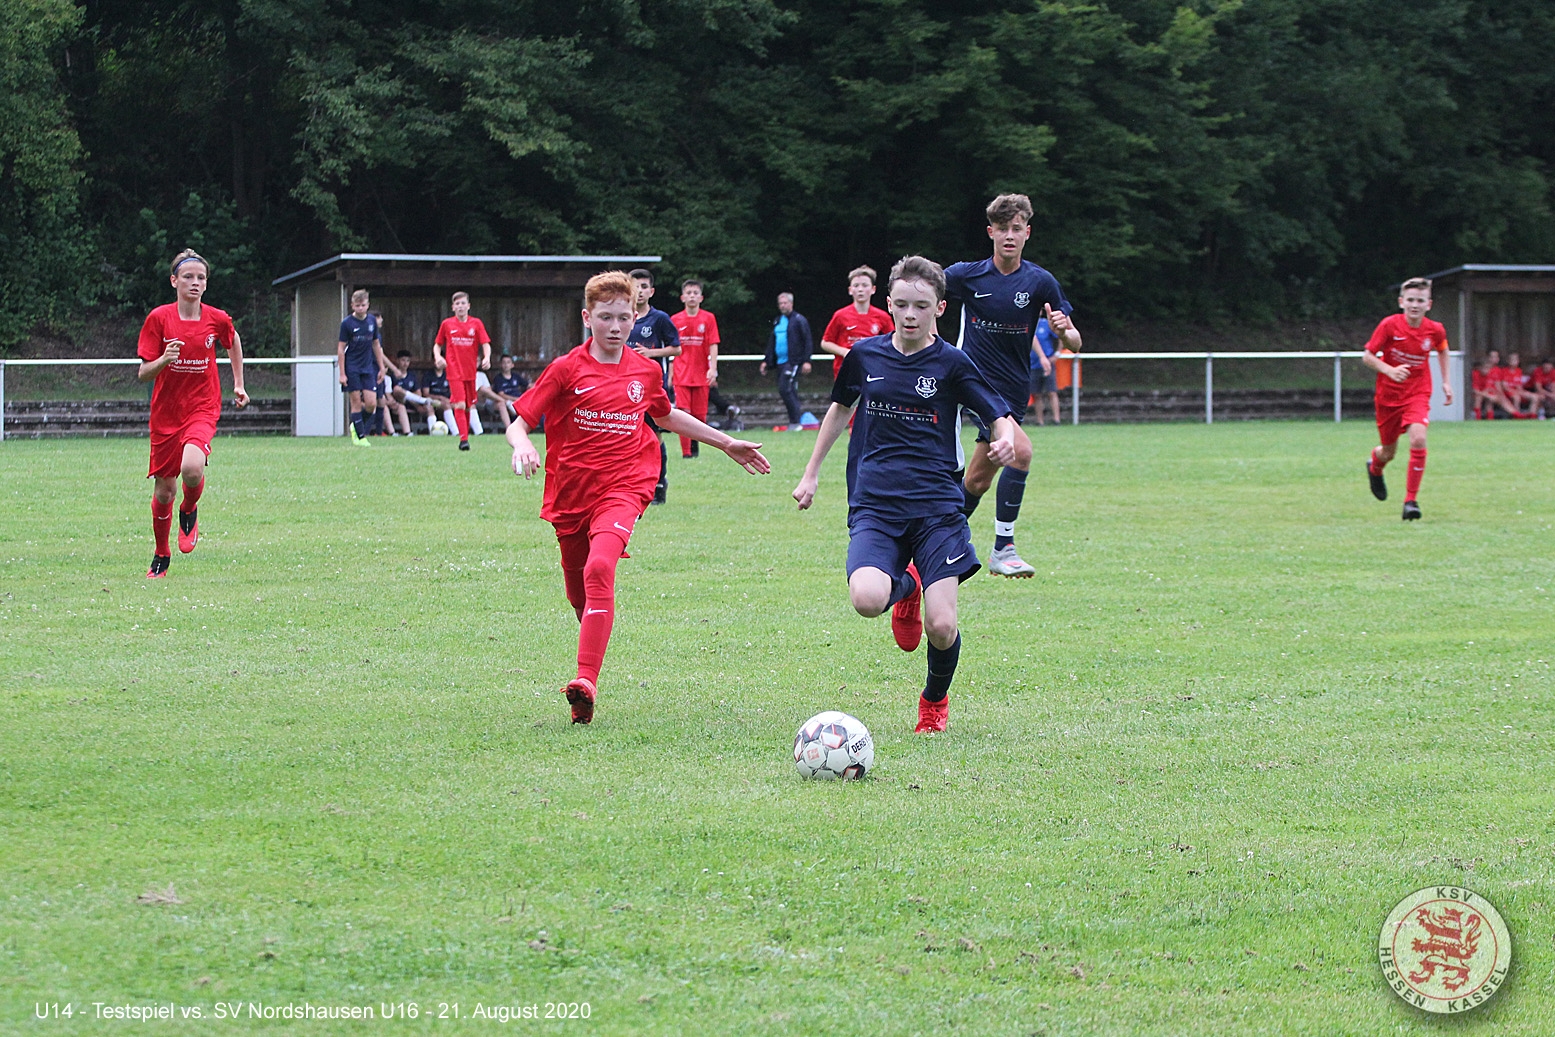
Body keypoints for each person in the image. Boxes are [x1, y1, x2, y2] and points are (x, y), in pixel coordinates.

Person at [508, 270, 770, 724]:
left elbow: (667, 417)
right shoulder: (566, 369)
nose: (615, 326)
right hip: (571, 494)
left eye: (623, 318)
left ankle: (585, 680)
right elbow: (519, 420)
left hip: (627, 486)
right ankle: (586, 679)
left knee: (600, 566)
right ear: (588, 318)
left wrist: (726, 442)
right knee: (579, 591)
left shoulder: (645, 371)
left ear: (635, 318)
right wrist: (523, 444)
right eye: (605, 317)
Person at [792, 256, 1016, 734]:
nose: (910, 314)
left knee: (941, 626)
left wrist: (1004, 437)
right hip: (876, 503)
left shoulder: (953, 364)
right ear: (889, 304)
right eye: (902, 304)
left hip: (937, 507)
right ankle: (906, 587)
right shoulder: (865, 356)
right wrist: (811, 473)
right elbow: (837, 412)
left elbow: (997, 413)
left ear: (939, 307)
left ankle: (934, 701)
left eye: (921, 305)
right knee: (868, 600)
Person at [946, 193, 1080, 579]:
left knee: (977, 478)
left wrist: (1064, 331)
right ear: (991, 232)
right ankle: (1003, 548)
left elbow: (1076, 342)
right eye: (1002, 229)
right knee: (1021, 452)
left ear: (1027, 233)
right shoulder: (966, 275)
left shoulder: (1040, 282)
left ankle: (936, 537)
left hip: (1013, 391)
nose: (1009, 235)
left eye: (1016, 229)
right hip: (973, 385)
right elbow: (923, 291)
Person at [135, 249, 249, 579]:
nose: (195, 283)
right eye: (188, 277)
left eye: (201, 278)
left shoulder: (216, 318)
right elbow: (144, 372)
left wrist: (238, 383)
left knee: (192, 467)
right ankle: (161, 553)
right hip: (166, 413)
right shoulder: (159, 319)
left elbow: (233, 339)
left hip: (203, 406)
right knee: (164, 491)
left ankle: (189, 508)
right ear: (174, 281)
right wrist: (164, 360)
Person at [1362, 276, 1453, 520]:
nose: (1415, 305)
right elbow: (1368, 356)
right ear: (1401, 302)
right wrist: (1390, 370)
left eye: (1420, 301)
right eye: (1410, 300)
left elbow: (1443, 349)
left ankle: (1410, 502)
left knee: (1419, 438)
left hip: (1418, 392)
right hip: (1388, 396)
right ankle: (1375, 465)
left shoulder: (1435, 329)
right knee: (1388, 452)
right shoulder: (1390, 325)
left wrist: (1445, 381)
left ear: (1428, 304)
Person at [628, 268, 681, 503]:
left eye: (643, 287)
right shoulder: (622, 316)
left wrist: (650, 353)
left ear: (651, 291)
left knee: (655, 434)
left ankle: (660, 483)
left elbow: (677, 348)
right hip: (624, 388)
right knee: (628, 435)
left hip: (650, 388)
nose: (638, 292)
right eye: (634, 286)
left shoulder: (659, 318)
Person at [432, 291, 491, 450]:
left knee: (468, 405)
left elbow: (485, 343)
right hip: (454, 370)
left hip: (470, 371)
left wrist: (487, 357)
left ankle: (465, 435)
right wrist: (438, 357)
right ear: (453, 307)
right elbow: (437, 344)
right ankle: (463, 440)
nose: (460, 306)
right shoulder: (447, 324)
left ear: (468, 306)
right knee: (459, 404)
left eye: (463, 303)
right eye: (457, 304)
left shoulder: (476, 324)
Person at [670, 279, 720, 458]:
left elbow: (713, 343)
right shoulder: (675, 319)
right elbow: (672, 347)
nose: (692, 296)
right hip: (681, 375)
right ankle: (686, 452)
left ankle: (695, 446)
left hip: (701, 374)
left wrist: (712, 368)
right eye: (689, 293)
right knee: (683, 414)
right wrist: (671, 371)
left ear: (701, 297)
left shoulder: (708, 318)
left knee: (700, 415)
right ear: (682, 297)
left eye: (695, 293)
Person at [336, 289, 388, 446]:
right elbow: (340, 349)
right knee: (356, 401)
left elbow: (376, 344)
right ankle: (360, 436)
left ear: (367, 305)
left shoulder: (371, 322)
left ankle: (356, 424)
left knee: (372, 404)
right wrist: (342, 374)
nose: (360, 308)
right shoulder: (347, 324)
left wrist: (381, 367)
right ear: (352, 305)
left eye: (363, 305)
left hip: (367, 368)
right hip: (352, 367)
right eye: (357, 305)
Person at [820, 266, 893, 378]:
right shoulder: (840, 315)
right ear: (850, 290)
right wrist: (845, 352)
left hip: (872, 370)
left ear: (873, 289)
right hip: (845, 371)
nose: (860, 289)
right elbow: (825, 343)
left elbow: (893, 342)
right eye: (856, 285)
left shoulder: (883, 317)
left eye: (864, 285)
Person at [761, 292, 814, 429]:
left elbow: (807, 340)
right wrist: (767, 361)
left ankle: (796, 422)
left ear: (791, 303)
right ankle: (794, 422)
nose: (783, 306)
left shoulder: (799, 320)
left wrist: (807, 360)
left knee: (786, 389)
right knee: (787, 390)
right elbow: (772, 342)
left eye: (785, 303)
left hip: (793, 362)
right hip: (780, 362)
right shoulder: (778, 321)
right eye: (780, 303)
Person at [483, 353, 530, 430]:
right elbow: (501, 394)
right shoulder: (498, 378)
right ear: (501, 365)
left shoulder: (516, 376)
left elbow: (528, 385)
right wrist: (515, 399)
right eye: (504, 363)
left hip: (518, 400)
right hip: (507, 401)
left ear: (512, 365)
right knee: (505, 405)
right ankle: (510, 429)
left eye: (508, 362)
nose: (506, 365)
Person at [1029, 316, 1059, 426]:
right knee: (1036, 393)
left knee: (1052, 392)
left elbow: (1061, 336)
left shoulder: (1047, 324)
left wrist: (1057, 354)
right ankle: (1040, 421)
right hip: (1033, 364)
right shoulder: (1027, 322)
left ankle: (1056, 419)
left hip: (1048, 363)